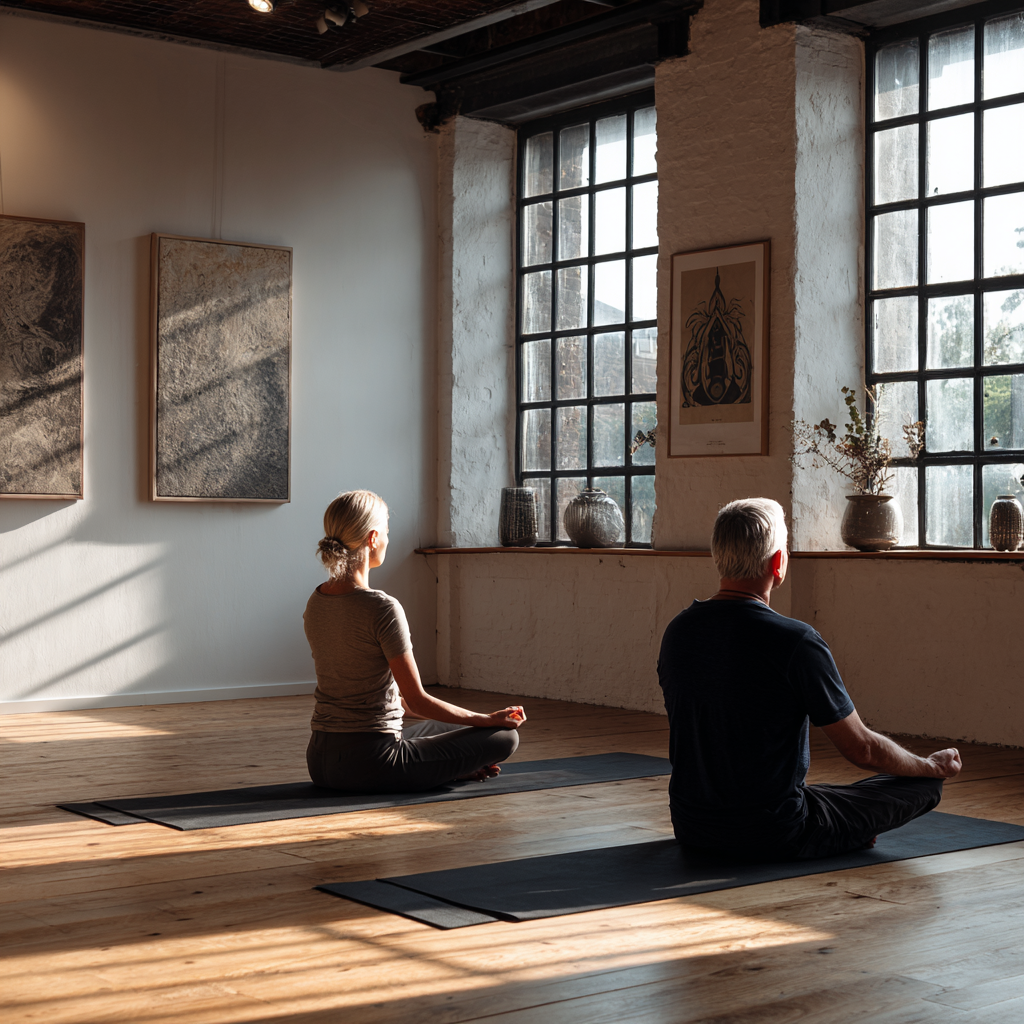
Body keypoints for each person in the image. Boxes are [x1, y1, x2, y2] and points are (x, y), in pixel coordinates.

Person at [658, 497, 961, 862]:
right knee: (924, 787)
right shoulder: (795, 641)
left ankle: (843, 829)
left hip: (692, 826)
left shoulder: (679, 631)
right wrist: (930, 767)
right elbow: (861, 749)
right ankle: (842, 834)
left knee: (822, 796)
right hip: (776, 831)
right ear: (778, 563)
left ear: (718, 556)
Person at [304, 490, 525, 793]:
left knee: (456, 727)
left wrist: (473, 722)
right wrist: (486, 720)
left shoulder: (316, 601)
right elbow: (418, 699)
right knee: (504, 736)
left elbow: (401, 704)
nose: (388, 540)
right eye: (387, 533)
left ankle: (437, 770)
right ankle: (436, 771)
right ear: (372, 538)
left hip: (319, 761)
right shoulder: (381, 607)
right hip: (372, 763)